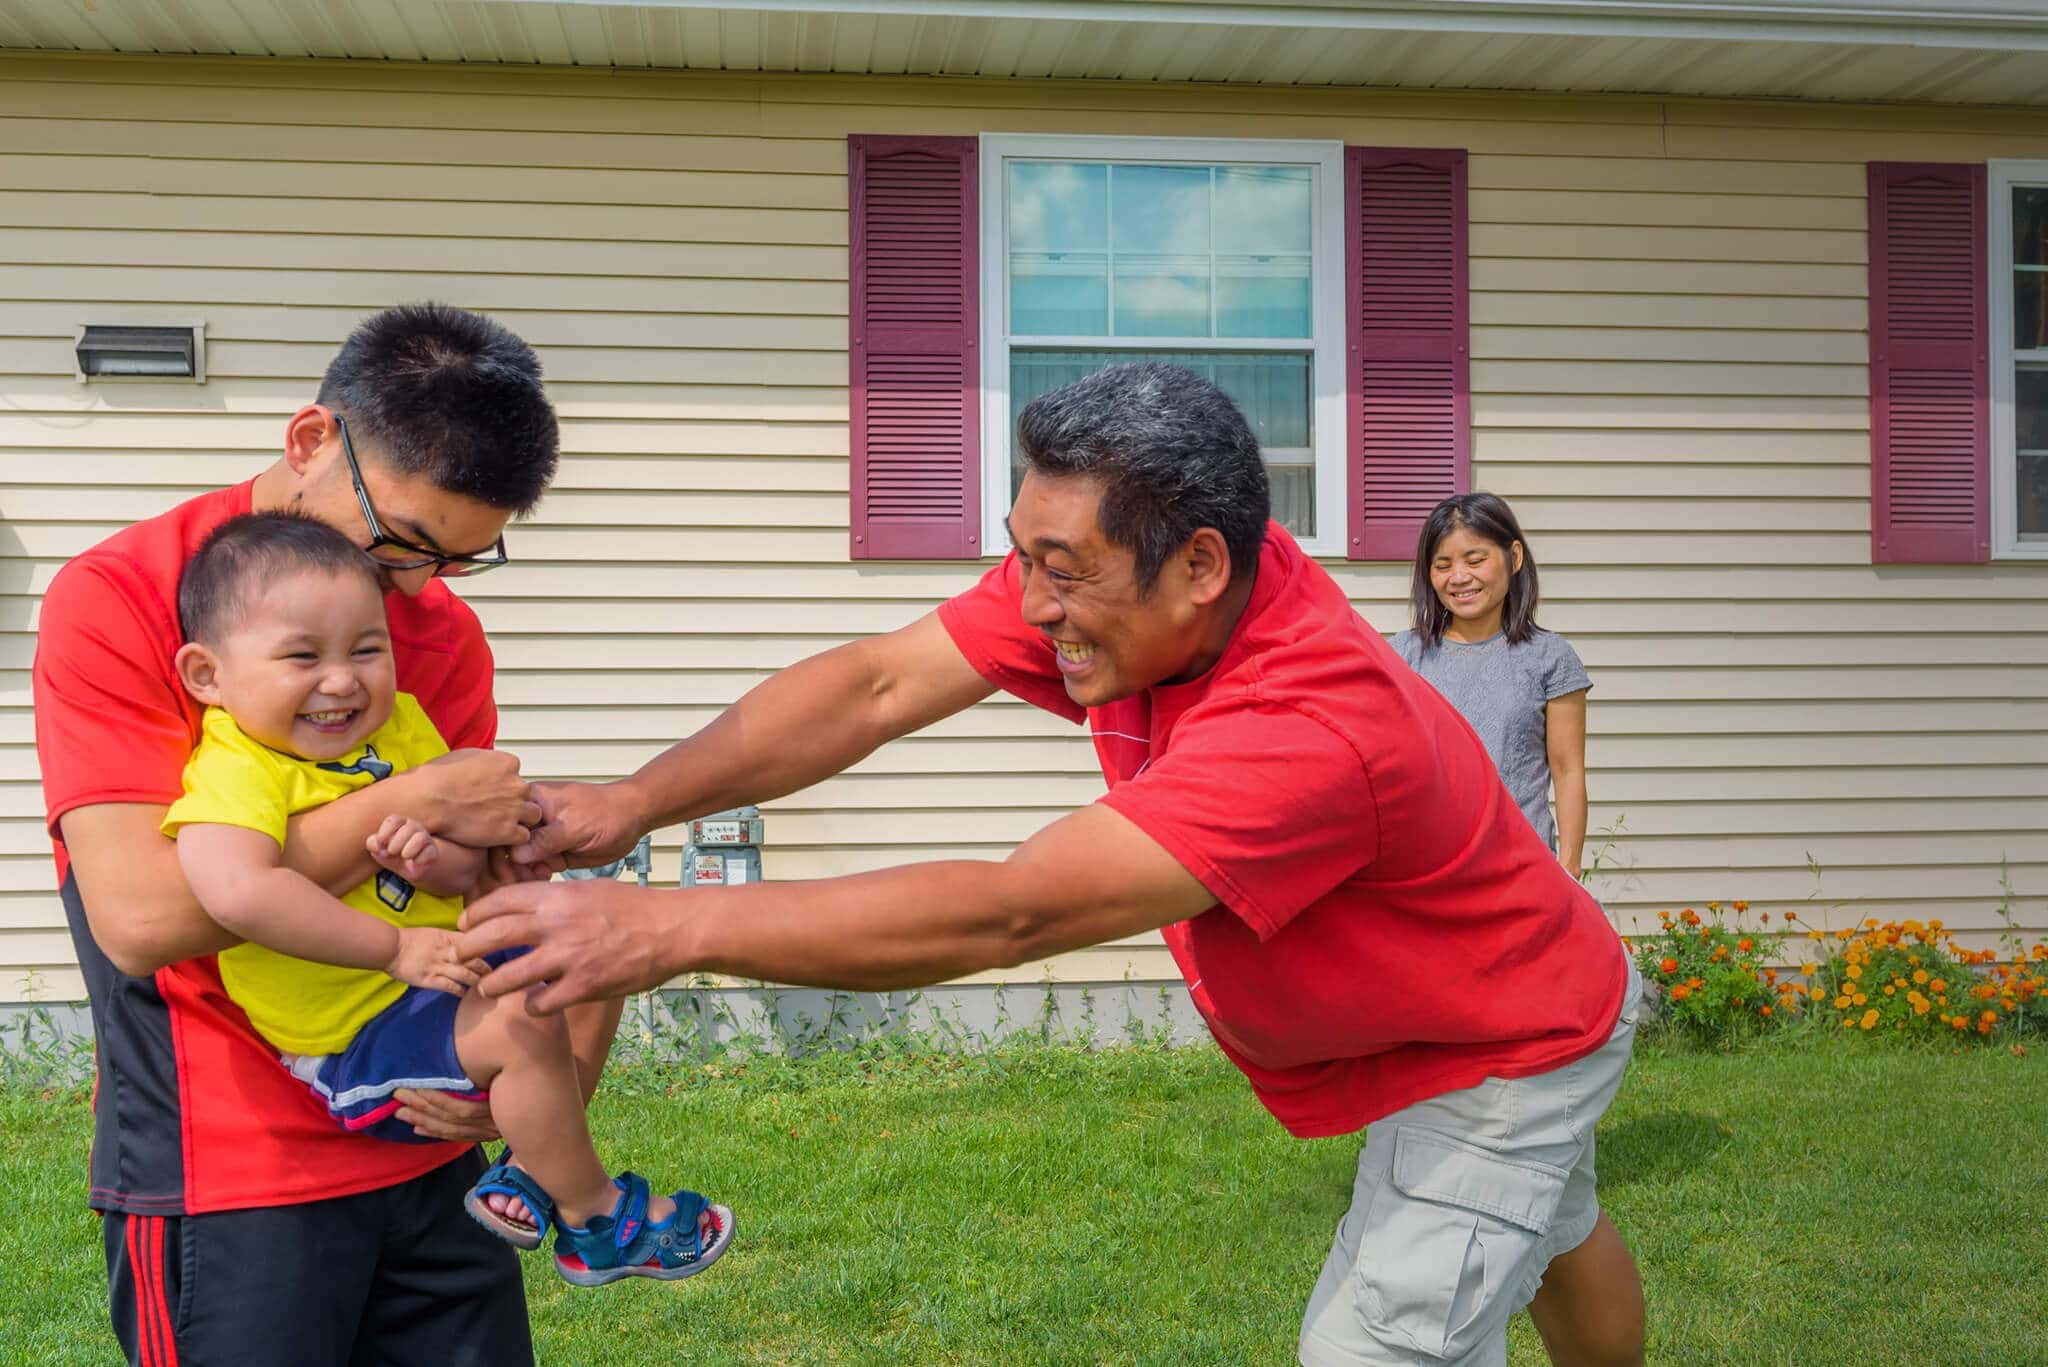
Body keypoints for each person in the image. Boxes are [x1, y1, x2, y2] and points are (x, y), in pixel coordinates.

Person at [462, 363, 1649, 1366]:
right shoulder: (1184, 565)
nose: (1031, 604)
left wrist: (660, 929)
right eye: (1021, 556)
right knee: (1548, 1224)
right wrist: (633, 802)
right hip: (1468, 986)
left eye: (1061, 569)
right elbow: (879, 682)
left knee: (1377, 1333)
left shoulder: (1306, 728)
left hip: (1504, 1039)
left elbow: (1012, 915)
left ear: (1196, 565)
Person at [32, 303, 621, 1364]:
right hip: (231, 1169)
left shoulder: (440, 633)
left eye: (454, 560)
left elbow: (460, 889)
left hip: (425, 1132)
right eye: (398, 542)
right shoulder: (120, 597)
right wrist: (421, 803)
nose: (413, 593)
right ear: (311, 441)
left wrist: (519, 1075)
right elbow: (141, 916)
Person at [163, 511, 734, 1288]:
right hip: (355, 1028)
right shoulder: (238, 766)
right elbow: (238, 893)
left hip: (438, 977)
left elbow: (468, 854)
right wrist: (394, 947)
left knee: (598, 948)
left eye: (367, 649)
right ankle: (595, 1219)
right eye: (302, 656)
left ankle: (529, 1169)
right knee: (525, 1017)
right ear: (209, 675)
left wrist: (438, 858)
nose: (343, 680)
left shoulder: (397, 726)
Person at [1392, 493, 1592, 878]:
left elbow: (1568, 771)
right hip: (1427, 873)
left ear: (1513, 557)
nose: (1459, 577)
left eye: (1475, 560)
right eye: (1442, 565)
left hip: (1522, 870)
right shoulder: (1403, 656)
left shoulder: (1550, 658)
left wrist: (1569, 869)